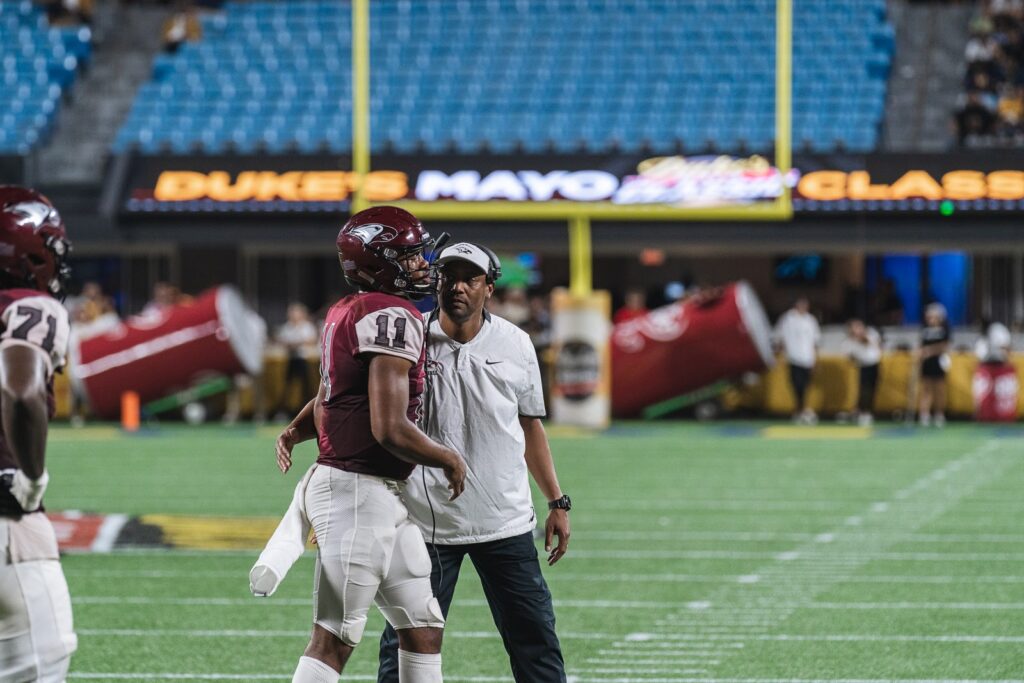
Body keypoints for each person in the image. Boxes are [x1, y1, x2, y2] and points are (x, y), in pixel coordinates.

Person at [257, 206, 467, 683]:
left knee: (423, 626)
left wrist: (297, 428)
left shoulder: (348, 309)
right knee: (333, 637)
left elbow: (337, 393)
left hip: (377, 492)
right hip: (357, 491)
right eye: (410, 256)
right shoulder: (393, 314)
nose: (422, 264)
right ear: (379, 262)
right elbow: (388, 427)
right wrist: (447, 458)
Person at [377, 243, 570, 683]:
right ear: (437, 282)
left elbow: (530, 427)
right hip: (427, 524)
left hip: (504, 522)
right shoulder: (410, 340)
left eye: (471, 278)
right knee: (403, 649)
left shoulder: (516, 343)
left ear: (490, 288)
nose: (458, 287)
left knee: (536, 643)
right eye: (449, 277)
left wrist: (558, 501)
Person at [0, 186, 77, 680]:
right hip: (8, 523)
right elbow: (22, 389)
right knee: (40, 667)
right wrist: (29, 479)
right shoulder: (31, 304)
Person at [774, 297, 821, 424]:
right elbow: (780, 338)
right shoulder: (787, 319)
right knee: (796, 384)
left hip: (808, 358)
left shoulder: (811, 320)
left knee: (806, 385)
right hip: (793, 357)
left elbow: (815, 341)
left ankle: (803, 409)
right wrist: (779, 355)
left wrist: (816, 360)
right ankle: (799, 409)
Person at [275, 302, 318, 416]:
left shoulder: (306, 326)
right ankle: (285, 410)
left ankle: (309, 409)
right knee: (287, 386)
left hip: (304, 360)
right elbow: (281, 340)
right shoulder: (287, 326)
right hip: (291, 359)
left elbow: (311, 340)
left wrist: (295, 343)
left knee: (306, 386)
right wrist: (296, 343)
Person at [841, 318, 882, 426]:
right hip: (863, 366)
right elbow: (849, 357)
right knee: (863, 389)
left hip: (874, 364)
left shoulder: (871, 333)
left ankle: (868, 411)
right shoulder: (848, 341)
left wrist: (861, 336)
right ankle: (861, 411)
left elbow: (872, 344)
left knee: (872, 389)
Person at [918, 302, 951, 427]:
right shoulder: (924, 330)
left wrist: (930, 351)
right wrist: (920, 352)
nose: (930, 319)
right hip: (926, 363)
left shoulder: (943, 330)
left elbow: (944, 346)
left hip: (939, 362)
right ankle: (924, 414)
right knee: (926, 388)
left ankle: (939, 413)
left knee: (939, 389)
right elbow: (921, 346)